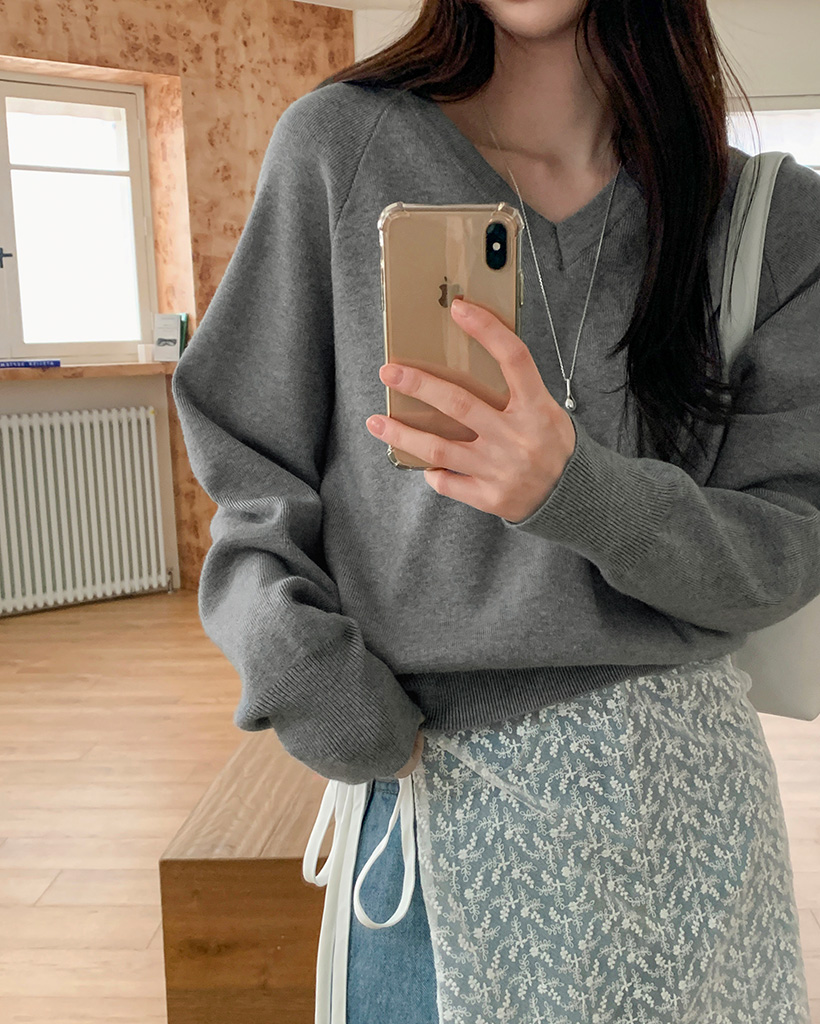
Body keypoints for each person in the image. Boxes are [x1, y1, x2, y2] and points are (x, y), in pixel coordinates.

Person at [172, 0, 820, 1021]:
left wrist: (577, 491)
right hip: (438, 799)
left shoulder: (767, 220)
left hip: (691, 812)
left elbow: (784, 547)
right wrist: (301, 669)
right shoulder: (341, 146)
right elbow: (249, 469)